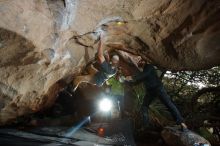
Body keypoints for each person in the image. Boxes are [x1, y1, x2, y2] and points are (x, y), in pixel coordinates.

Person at [125, 59, 188, 130]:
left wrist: (132, 77)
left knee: (168, 104)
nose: (138, 62)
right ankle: (145, 125)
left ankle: (181, 122)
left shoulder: (149, 67)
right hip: (150, 91)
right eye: (138, 61)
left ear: (144, 61)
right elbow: (138, 81)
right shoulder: (144, 71)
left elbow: (144, 75)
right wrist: (126, 82)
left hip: (158, 89)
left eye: (140, 61)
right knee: (144, 107)